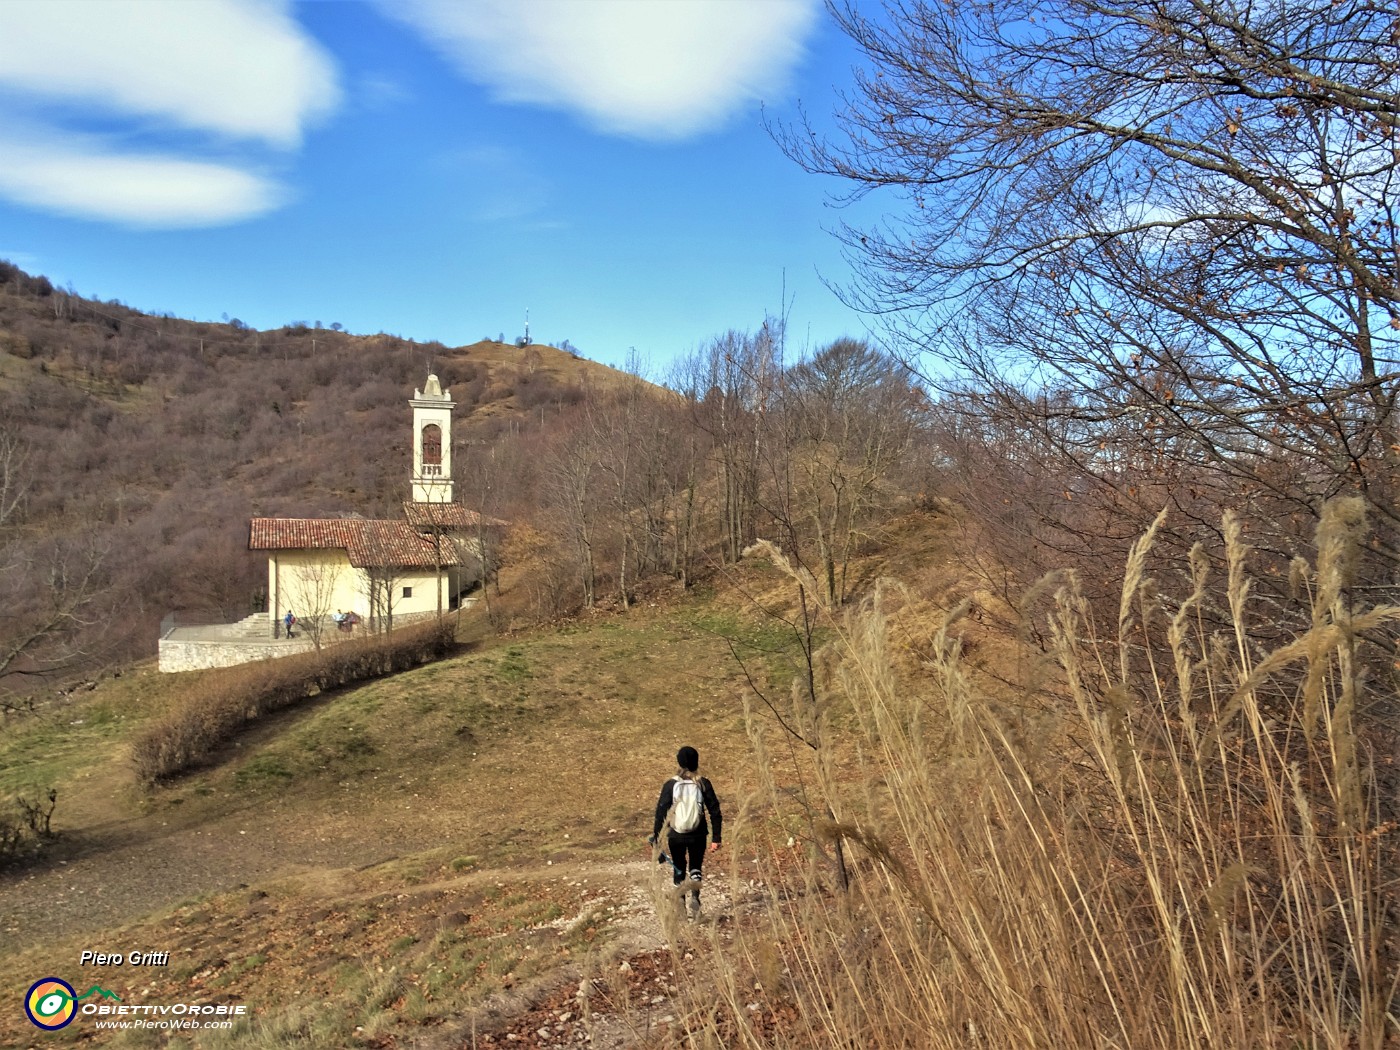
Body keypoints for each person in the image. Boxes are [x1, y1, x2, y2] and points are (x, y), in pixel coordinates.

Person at [649, 745, 722, 919]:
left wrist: (657, 840)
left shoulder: (671, 785)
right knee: (695, 866)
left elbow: (661, 813)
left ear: (679, 762)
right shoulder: (703, 783)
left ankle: (680, 903)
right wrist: (716, 837)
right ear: (696, 762)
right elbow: (715, 811)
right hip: (698, 834)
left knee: (679, 867)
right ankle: (696, 899)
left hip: (676, 835)